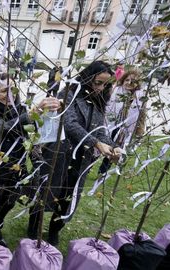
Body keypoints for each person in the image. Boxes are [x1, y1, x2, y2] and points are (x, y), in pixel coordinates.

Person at [27, 61, 122, 246]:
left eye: (106, 84)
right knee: (46, 191)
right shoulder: (69, 93)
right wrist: (95, 143)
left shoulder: (99, 100)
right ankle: (33, 227)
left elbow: (100, 130)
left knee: (69, 196)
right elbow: (69, 124)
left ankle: (54, 230)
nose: (101, 88)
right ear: (88, 78)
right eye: (98, 83)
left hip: (81, 158)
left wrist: (113, 146)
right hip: (59, 152)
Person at [0, 73, 61, 247]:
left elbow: (28, 139)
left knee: (5, 205)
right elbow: (4, 129)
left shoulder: (22, 112)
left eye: (13, 90)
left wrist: (38, 156)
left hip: (13, 170)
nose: (10, 94)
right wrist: (33, 113)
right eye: (4, 90)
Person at [99, 69, 145, 175]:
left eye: (133, 81)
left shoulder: (140, 98)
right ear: (123, 80)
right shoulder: (115, 91)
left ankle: (103, 171)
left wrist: (139, 131)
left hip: (124, 130)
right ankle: (88, 166)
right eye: (127, 80)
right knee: (100, 146)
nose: (129, 83)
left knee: (115, 150)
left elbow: (141, 117)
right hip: (109, 125)